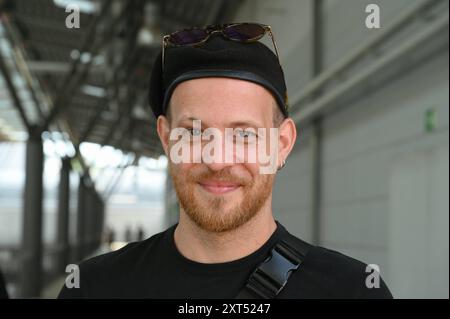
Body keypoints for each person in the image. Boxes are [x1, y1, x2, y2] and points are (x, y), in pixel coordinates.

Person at [59, 23, 392, 298]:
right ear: (165, 137)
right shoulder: (93, 289)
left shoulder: (353, 291)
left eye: (244, 135)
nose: (217, 160)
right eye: (194, 132)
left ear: (282, 143)